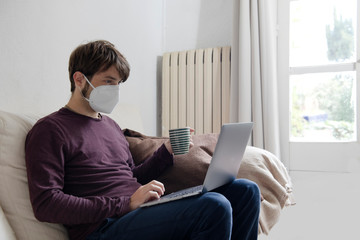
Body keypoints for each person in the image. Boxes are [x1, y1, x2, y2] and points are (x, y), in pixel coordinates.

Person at [25, 40, 261, 240]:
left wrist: (166, 151)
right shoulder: (49, 130)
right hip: (103, 227)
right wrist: (125, 204)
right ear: (79, 79)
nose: (115, 89)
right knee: (215, 206)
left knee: (246, 190)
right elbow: (47, 204)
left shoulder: (111, 126)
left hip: (138, 213)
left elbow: (131, 177)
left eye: (118, 83)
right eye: (108, 81)